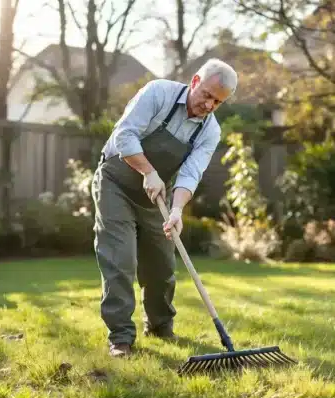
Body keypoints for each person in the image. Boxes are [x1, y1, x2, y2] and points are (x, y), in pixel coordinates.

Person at [91, 58, 238, 357]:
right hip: (116, 183)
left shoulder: (209, 131)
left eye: (218, 102)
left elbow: (191, 173)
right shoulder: (158, 93)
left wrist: (176, 210)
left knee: (162, 265)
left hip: (157, 194)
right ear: (195, 81)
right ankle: (121, 337)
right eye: (207, 95)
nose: (209, 105)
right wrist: (148, 171)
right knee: (120, 259)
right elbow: (125, 134)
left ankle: (160, 327)